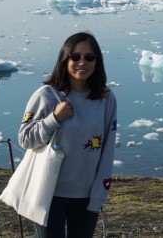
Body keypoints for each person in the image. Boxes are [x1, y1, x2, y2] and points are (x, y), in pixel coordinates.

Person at [18, 32, 118, 238]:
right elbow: (25, 138)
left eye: (89, 57)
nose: (82, 62)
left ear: (97, 61)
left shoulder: (106, 99)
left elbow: (107, 148)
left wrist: (101, 190)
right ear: (65, 59)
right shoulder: (46, 95)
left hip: (86, 196)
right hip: (48, 193)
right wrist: (53, 118)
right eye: (75, 57)